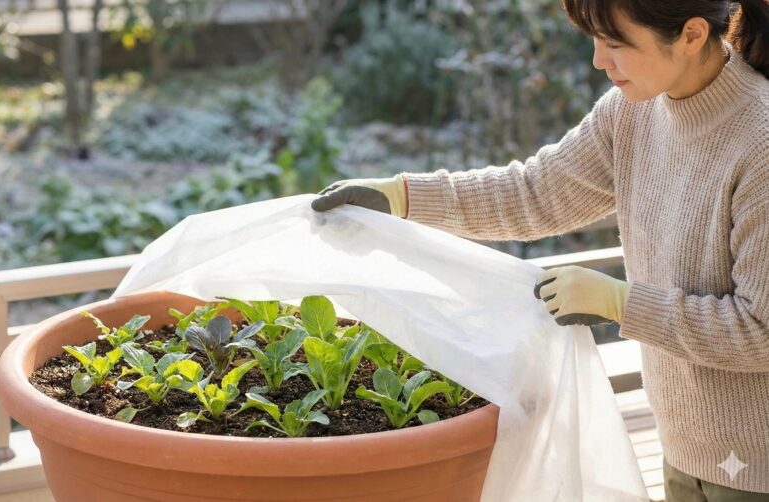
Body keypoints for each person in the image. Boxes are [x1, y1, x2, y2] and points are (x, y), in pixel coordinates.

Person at [311, 1, 769, 500]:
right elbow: (535, 194)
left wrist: (620, 303)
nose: (598, 60)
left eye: (615, 43)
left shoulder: (760, 142)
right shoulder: (631, 112)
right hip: (685, 445)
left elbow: (760, 331)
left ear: (691, 35)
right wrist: (403, 197)